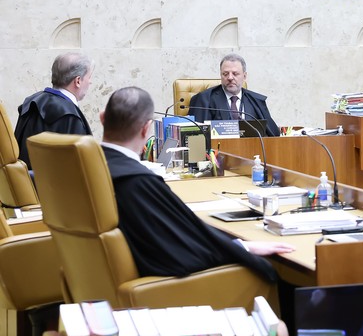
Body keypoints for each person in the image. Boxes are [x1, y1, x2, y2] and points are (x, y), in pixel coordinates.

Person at [100, 86, 294, 281]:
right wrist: (243, 247)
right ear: (146, 128)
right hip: (173, 285)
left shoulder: (94, 167)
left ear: (102, 118)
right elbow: (182, 246)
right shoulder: (138, 181)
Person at [14, 52, 94, 169]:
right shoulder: (71, 117)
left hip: (25, 185)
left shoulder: (30, 104)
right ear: (78, 81)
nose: (90, 82)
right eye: (89, 77)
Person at [187, 53, 280, 136]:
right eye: (225, 74)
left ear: (244, 76)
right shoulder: (204, 100)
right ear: (221, 75)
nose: (230, 77)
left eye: (235, 73)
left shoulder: (256, 101)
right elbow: (194, 137)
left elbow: (273, 135)